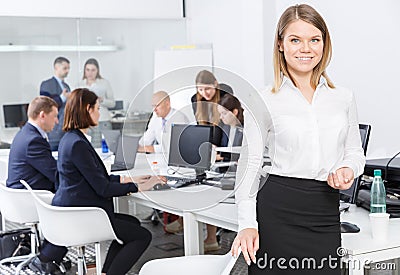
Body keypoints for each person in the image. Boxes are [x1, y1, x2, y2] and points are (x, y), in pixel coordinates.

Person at [231, 4, 366, 274]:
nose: (306, 48)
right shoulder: (263, 99)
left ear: (324, 44)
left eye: (314, 39)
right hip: (276, 210)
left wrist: (347, 169)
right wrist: (247, 223)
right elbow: (250, 164)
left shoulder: (343, 97)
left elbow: (354, 151)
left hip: (324, 210)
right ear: (280, 44)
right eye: (295, 40)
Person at [29, 88, 166, 275]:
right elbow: (102, 188)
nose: (99, 113)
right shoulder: (78, 144)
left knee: (132, 224)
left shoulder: (70, 138)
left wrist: (130, 179)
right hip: (82, 216)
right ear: (87, 109)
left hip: (76, 209)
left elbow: (96, 178)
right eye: (97, 108)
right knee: (141, 236)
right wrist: (138, 187)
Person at [7, 96, 59, 192]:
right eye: (55, 116)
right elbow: (55, 173)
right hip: (31, 196)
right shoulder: (34, 141)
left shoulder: (24, 133)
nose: (57, 121)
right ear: (42, 115)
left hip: (27, 193)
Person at [78, 58, 115, 147]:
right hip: (87, 122)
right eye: (88, 70)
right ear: (84, 71)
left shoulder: (104, 83)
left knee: (105, 147)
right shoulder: (79, 84)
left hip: (103, 120)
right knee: (89, 147)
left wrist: (102, 100)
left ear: (97, 71)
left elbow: (112, 103)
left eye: (93, 70)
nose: (90, 73)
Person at [40, 56, 71, 151]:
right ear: (56, 67)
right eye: (65, 68)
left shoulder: (66, 86)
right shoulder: (46, 85)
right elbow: (46, 105)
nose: (67, 71)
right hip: (54, 131)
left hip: (66, 129)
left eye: (68, 68)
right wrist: (62, 98)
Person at [217, 93, 244, 162]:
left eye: (224, 113)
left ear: (235, 112)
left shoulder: (246, 129)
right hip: (225, 167)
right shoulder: (225, 127)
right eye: (220, 114)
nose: (221, 117)